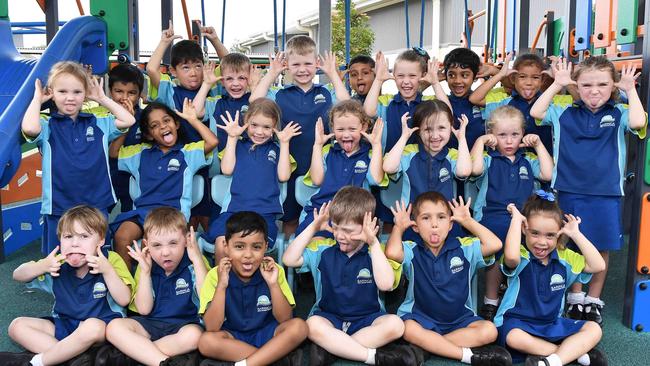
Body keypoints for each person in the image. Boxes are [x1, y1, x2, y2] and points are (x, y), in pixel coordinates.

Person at [530, 57, 647, 324]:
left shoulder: (618, 112)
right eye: (587, 85)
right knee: (571, 244)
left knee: (600, 246)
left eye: (603, 84)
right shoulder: (563, 111)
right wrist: (557, 84)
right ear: (577, 86)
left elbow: (639, 122)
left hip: (606, 194)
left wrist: (630, 89)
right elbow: (536, 113)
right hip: (569, 191)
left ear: (613, 86)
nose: (594, 91)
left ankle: (593, 300)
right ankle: (575, 296)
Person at [283, 187, 417, 366]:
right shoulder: (322, 249)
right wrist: (313, 227)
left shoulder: (376, 253)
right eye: (336, 228)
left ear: (368, 226)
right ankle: (371, 356)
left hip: (368, 319)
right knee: (312, 325)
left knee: (396, 325)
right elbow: (289, 259)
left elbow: (385, 285)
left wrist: (374, 242)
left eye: (348, 230)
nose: (339, 235)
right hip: (330, 317)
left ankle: (333, 349)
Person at [21, 61, 136, 254]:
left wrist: (101, 98)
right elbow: (30, 128)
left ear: (85, 94)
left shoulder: (98, 122)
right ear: (52, 93)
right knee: (59, 257)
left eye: (77, 92)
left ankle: (98, 284)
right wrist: (37, 100)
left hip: (96, 202)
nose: (70, 98)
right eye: (62, 92)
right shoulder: (47, 125)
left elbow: (128, 120)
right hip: (60, 204)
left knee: (97, 254)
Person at [385, 194, 511, 366]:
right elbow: (392, 253)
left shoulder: (463, 247)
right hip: (422, 318)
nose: (435, 224)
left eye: (441, 217)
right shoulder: (412, 249)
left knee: (489, 331)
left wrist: (467, 221)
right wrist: (399, 227)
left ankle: (428, 347)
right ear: (415, 226)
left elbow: (495, 244)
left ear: (451, 224)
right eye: (426, 218)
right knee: (408, 329)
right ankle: (467, 355)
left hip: (460, 320)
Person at [4, 205, 133, 366]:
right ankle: (71, 359)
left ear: (100, 240)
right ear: (60, 240)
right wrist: (41, 266)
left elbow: (124, 300)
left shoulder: (110, 260)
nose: (75, 244)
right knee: (16, 326)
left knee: (92, 326)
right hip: (66, 324)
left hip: (101, 328)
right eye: (68, 237)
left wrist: (107, 271)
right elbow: (17, 275)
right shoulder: (56, 262)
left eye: (84, 236)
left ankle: (46, 360)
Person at [250, 35, 350, 237]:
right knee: (291, 219)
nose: (302, 69)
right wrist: (272, 73)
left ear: (317, 65)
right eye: (296, 64)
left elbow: (347, 104)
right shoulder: (279, 94)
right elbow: (255, 100)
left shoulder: (327, 91)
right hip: (290, 165)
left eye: (308, 63)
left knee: (323, 216)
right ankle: (291, 263)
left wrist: (332, 74)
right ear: (287, 65)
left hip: (322, 166)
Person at [494, 193, 607, 366]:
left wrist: (575, 234)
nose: (542, 242)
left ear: (559, 234)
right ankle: (570, 354)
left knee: (593, 329)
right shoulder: (521, 255)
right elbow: (510, 256)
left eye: (550, 235)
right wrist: (516, 220)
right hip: (518, 324)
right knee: (514, 337)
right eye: (535, 233)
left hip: (551, 324)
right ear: (525, 229)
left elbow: (598, 265)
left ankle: (551, 361)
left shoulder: (564, 258)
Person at [109, 100, 216, 269]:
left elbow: (212, 142)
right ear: (150, 134)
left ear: (176, 124)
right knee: (122, 236)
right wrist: (128, 122)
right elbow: (113, 152)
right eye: (155, 125)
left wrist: (193, 120)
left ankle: (151, 287)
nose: (163, 127)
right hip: (142, 213)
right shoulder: (139, 152)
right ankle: (128, 286)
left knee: (151, 244)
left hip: (172, 214)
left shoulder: (187, 152)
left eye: (166, 121)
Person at [470, 105, 553, 320]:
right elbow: (475, 169)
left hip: (525, 221)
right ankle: (490, 302)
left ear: (523, 135)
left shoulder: (528, 160)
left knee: (529, 254)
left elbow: (547, 173)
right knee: (495, 259)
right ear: (491, 135)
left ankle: (521, 300)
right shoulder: (488, 159)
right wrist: (480, 142)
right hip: (492, 217)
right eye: (502, 135)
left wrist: (539, 144)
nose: (509, 141)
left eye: (515, 135)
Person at [198, 211, 308, 366]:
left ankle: (245, 364)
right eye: (239, 246)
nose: (248, 255)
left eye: (256, 247)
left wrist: (273, 284)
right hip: (234, 337)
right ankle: (273, 358)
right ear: (226, 246)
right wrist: (222, 286)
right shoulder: (215, 275)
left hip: (268, 333)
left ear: (266, 247)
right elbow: (212, 327)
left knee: (299, 327)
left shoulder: (273, 270)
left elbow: (285, 319)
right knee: (206, 342)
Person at [105, 207, 208, 366]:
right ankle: (160, 361)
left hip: (184, 324)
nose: (165, 252)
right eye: (157, 245)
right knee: (114, 327)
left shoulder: (195, 262)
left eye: (173, 243)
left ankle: (140, 353)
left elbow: (205, 300)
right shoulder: (146, 264)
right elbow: (144, 310)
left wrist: (197, 260)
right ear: (147, 244)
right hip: (151, 324)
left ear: (187, 240)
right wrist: (145, 272)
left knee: (195, 336)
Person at [202, 98, 301, 261]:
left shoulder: (276, 149)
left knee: (254, 246)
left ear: (275, 128)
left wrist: (284, 144)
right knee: (222, 244)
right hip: (233, 211)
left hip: (264, 214)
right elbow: (226, 170)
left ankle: (253, 286)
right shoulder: (237, 145)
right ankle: (224, 284)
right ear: (246, 122)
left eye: (267, 127)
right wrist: (232, 138)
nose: (259, 132)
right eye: (254, 125)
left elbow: (284, 176)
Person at [145, 20, 217, 230]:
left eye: (197, 66)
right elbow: (151, 69)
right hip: (177, 162)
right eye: (186, 67)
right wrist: (164, 42)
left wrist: (214, 40)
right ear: (174, 71)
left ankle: (207, 252)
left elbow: (230, 63)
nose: (193, 72)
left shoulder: (211, 90)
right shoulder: (169, 91)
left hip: (205, 157)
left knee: (206, 212)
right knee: (187, 214)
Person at [382, 100, 471, 241]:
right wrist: (404, 136)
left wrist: (462, 139)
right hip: (413, 223)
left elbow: (464, 172)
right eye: (428, 129)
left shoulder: (453, 155)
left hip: (445, 224)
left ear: (451, 128)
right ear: (418, 130)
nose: (434, 136)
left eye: (441, 128)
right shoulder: (409, 153)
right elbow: (388, 167)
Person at [295, 100, 385, 239]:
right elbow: (317, 179)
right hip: (322, 210)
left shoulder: (371, 154)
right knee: (310, 242)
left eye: (352, 129)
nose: (346, 135)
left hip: (354, 214)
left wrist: (377, 145)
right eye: (340, 129)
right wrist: (317, 145)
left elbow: (376, 179)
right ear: (332, 128)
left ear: (364, 127)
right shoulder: (326, 152)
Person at [469, 53, 556, 155]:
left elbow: (578, 99)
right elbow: (475, 99)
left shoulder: (551, 102)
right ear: (513, 79)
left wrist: (559, 80)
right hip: (508, 164)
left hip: (542, 163)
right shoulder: (504, 101)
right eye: (522, 77)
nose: (529, 82)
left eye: (535, 77)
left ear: (542, 80)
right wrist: (499, 74)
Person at [105, 64, 146, 214]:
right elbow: (112, 153)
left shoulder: (146, 119)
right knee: (97, 219)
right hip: (108, 178)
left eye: (131, 93)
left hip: (135, 179)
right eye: (119, 91)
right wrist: (126, 121)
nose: (124, 97)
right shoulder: (103, 119)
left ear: (140, 94)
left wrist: (129, 119)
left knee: (130, 218)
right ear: (110, 92)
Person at [442, 47, 488, 149]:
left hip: (479, 162)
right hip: (451, 163)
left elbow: (513, 88)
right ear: (445, 77)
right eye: (451, 75)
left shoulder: (484, 101)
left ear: (475, 76)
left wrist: (494, 71)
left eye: (464, 75)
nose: (457, 80)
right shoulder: (441, 102)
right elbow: (413, 95)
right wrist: (433, 79)